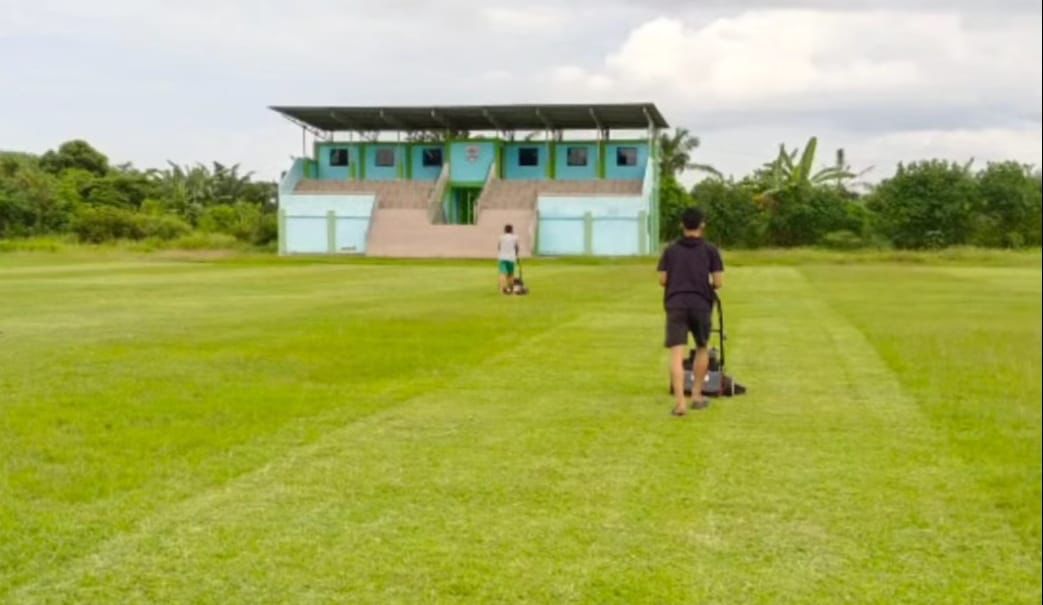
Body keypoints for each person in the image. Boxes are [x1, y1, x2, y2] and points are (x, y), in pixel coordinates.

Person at [657, 207, 724, 417]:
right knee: (702, 347)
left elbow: (662, 280)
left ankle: (680, 403)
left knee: (677, 353)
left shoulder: (670, 250)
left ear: (682, 225)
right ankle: (696, 395)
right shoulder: (710, 250)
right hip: (700, 303)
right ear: (702, 225)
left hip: (676, 303)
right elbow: (719, 282)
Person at [497, 224, 519, 294]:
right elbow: (516, 247)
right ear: (512, 230)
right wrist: (516, 255)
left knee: (502, 273)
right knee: (511, 274)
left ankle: (502, 288)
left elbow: (499, 247)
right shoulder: (515, 237)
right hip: (511, 258)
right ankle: (510, 288)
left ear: (505, 230)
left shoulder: (501, 237)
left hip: (502, 257)